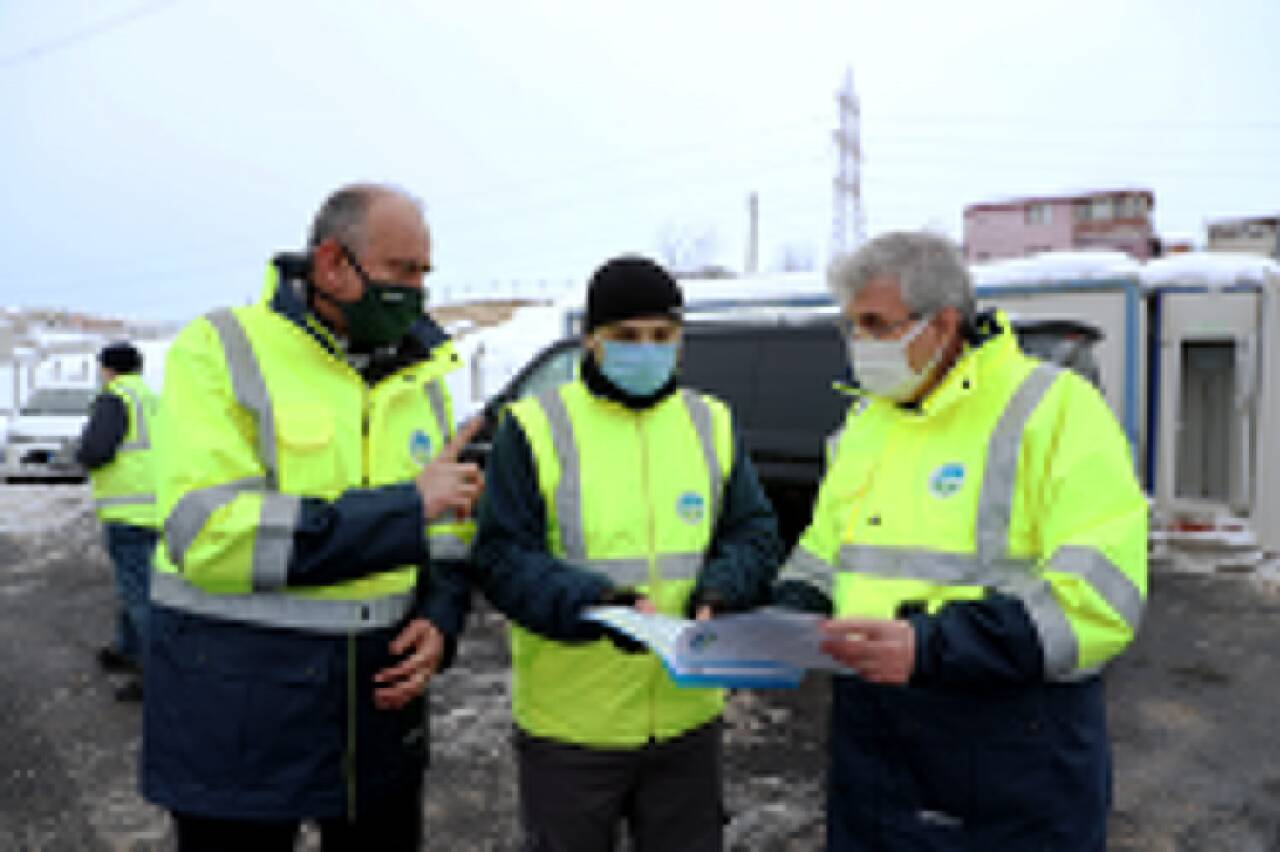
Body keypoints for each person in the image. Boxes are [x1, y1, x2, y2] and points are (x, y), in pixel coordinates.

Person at [773, 232, 1148, 850]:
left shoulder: (1054, 408)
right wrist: (786, 614)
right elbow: (824, 552)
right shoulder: (866, 424)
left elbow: (1098, 600)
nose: (859, 344)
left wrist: (930, 645)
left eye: (876, 324)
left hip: (1010, 747)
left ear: (943, 324)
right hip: (873, 741)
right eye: (851, 326)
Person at [141, 183, 481, 850]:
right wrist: (404, 507)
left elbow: (445, 533)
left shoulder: (423, 376)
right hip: (240, 716)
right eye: (400, 271)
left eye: (423, 275)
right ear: (331, 263)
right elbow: (211, 536)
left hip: (377, 722)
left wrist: (441, 620)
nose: (416, 292)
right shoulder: (220, 349)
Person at [471, 256, 785, 852]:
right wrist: (597, 605)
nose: (647, 350)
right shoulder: (535, 426)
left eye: (662, 337)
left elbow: (752, 532)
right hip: (571, 729)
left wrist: (723, 590)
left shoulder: (709, 421)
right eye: (626, 337)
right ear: (591, 341)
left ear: (681, 343)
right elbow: (504, 557)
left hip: (687, 721)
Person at [77, 341, 159, 703]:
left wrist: (80, 453)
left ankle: (158, 675)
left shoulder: (114, 397)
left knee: (139, 593)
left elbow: (96, 451)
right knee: (136, 585)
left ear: (108, 369)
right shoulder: (152, 398)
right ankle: (126, 649)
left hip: (129, 511)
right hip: (156, 509)